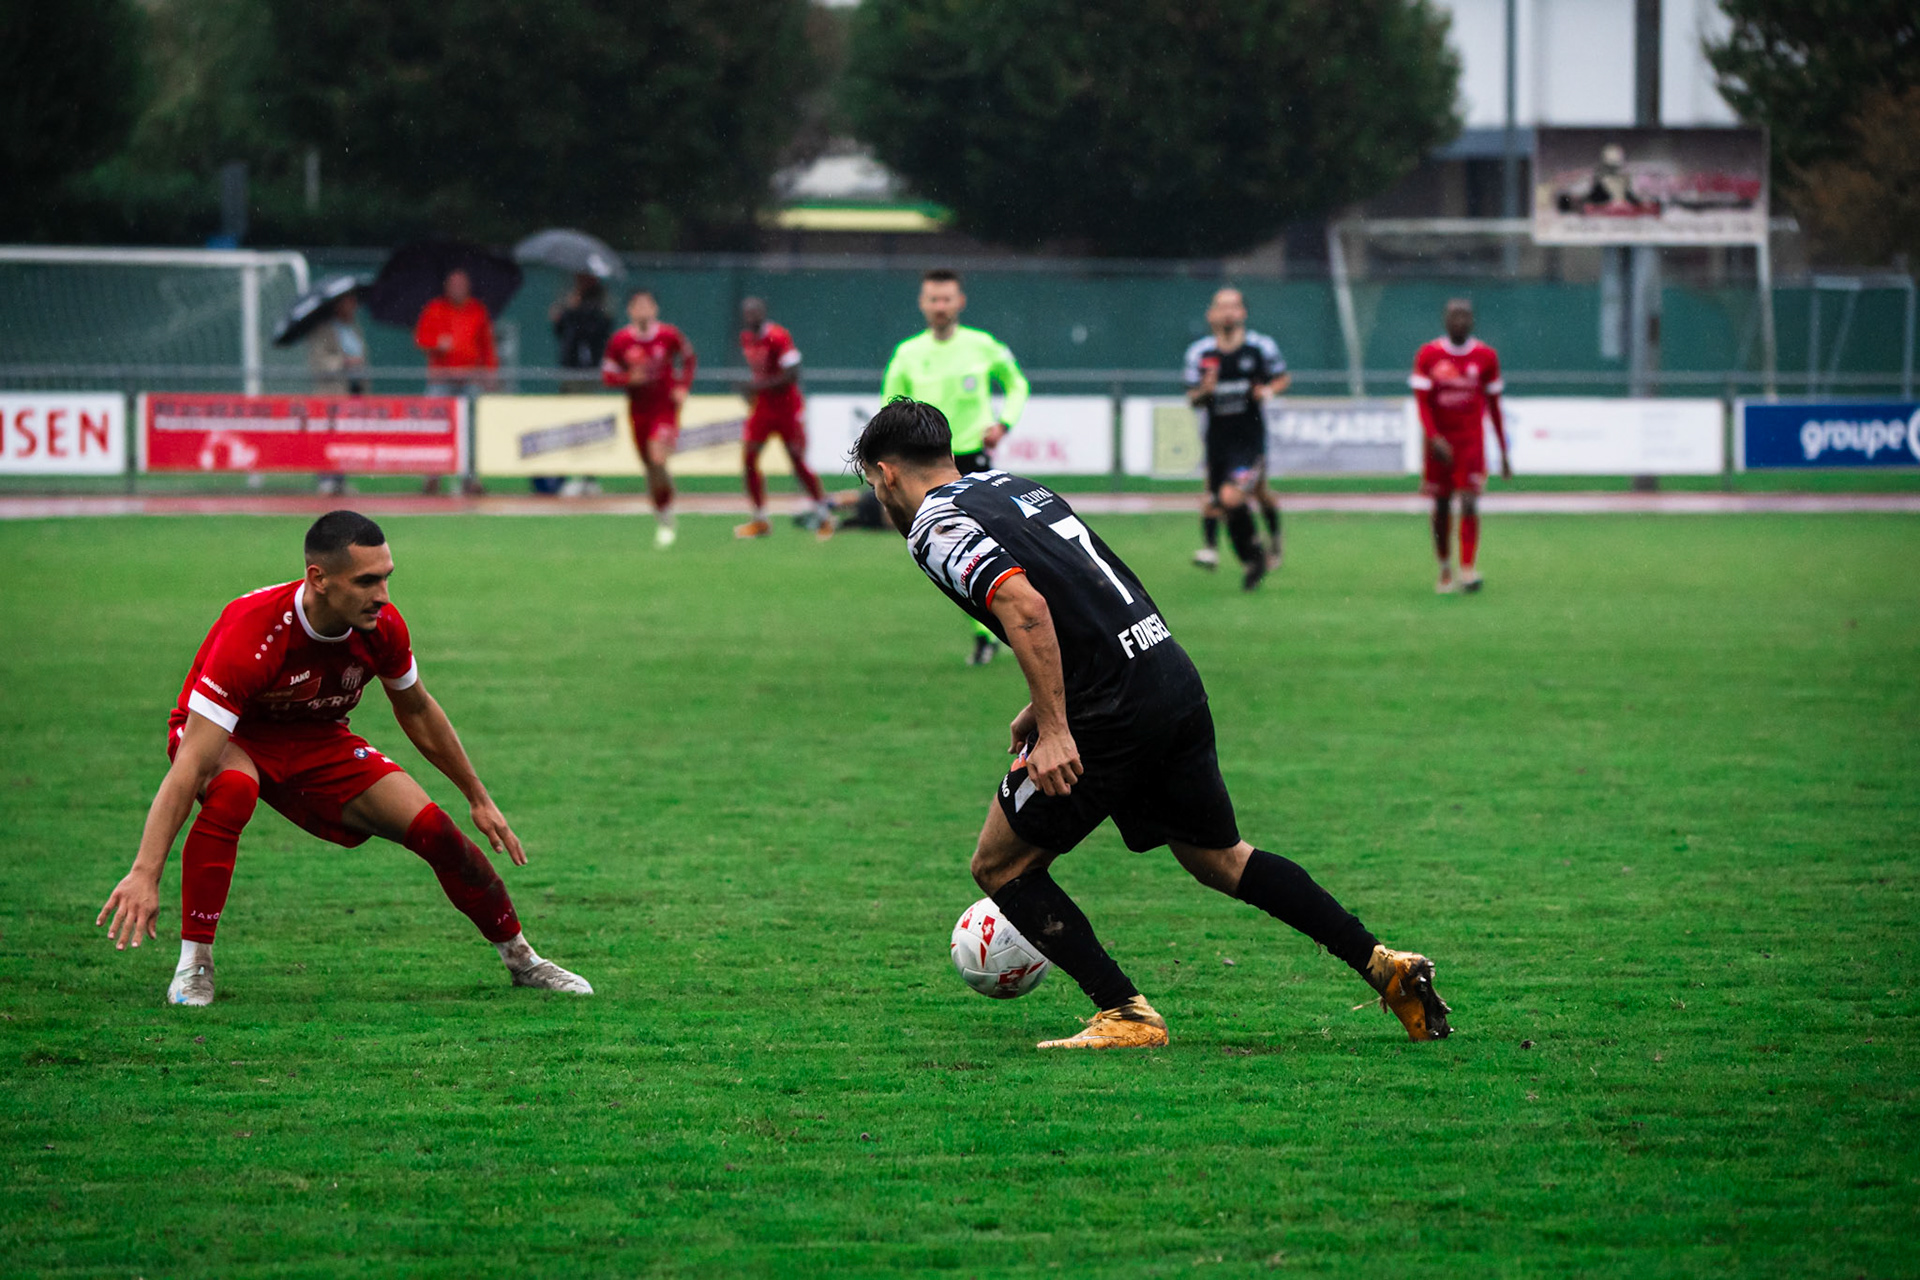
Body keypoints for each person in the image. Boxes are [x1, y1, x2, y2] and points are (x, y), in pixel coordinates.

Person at [852, 399, 1451, 1050]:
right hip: (1162, 665)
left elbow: (1021, 604)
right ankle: (1382, 966)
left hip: (1111, 704)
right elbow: (1089, 584)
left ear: (886, 475)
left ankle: (1125, 1012)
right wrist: (1049, 697)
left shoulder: (933, 525)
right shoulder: (1012, 486)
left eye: (870, 484)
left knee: (1000, 866)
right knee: (1219, 859)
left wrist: (1056, 725)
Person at [95, 510, 592, 1004]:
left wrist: (477, 797)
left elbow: (417, 710)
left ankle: (522, 960)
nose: (383, 595)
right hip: (227, 736)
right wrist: (145, 872)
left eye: (387, 578)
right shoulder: (254, 633)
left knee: (436, 831)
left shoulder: (382, 627)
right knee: (233, 790)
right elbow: (192, 767)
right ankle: (194, 965)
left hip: (315, 737)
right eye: (367, 581)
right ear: (319, 578)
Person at [880, 268, 1031, 664]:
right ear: (922, 303)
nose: (940, 306)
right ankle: (987, 627)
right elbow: (889, 406)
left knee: (986, 543)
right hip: (923, 467)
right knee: (942, 550)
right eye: (933, 299)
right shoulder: (908, 353)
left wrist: (1004, 422)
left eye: (947, 298)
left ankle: (990, 631)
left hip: (971, 458)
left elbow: (1016, 383)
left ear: (960, 301)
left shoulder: (983, 346)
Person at [1182, 288, 1288, 590]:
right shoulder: (1199, 354)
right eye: (1222, 307)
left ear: (1243, 312)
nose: (1228, 312)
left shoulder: (1260, 348)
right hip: (1217, 441)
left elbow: (1281, 377)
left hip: (1250, 441)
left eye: (1234, 306)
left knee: (1234, 497)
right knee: (1218, 503)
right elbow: (1193, 399)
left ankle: (1261, 548)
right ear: (1211, 314)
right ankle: (1252, 558)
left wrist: (1267, 391)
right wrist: (1205, 390)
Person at [1411, 300, 1511, 594]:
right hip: (1439, 444)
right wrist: (1433, 437)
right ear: (1445, 320)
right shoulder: (1429, 355)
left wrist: (1504, 452)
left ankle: (1467, 570)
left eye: (1466, 315)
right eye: (1455, 315)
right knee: (1441, 506)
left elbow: (1494, 407)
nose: (1460, 320)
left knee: (1469, 501)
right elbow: (1423, 404)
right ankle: (1444, 568)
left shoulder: (1485, 356)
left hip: (1470, 444)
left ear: (1473, 321)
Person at [601, 288, 696, 548]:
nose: (643, 310)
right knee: (651, 466)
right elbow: (607, 375)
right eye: (638, 306)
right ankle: (664, 511)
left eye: (648, 306)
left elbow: (689, 359)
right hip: (638, 410)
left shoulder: (668, 335)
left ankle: (666, 510)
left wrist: (683, 386)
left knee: (657, 456)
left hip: (664, 407)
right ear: (630, 311)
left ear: (655, 310)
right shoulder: (620, 341)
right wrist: (627, 379)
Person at [734, 297, 833, 540]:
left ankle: (824, 514)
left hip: (787, 408)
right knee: (749, 460)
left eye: (756, 312)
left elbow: (792, 374)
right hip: (763, 409)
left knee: (797, 461)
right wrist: (754, 392)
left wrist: (756, 386)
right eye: (748, 313)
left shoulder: (778, 336)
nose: (752, 316)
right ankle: (760, 519)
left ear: (764, 313)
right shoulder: (746, 339)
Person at [413, 269, 497, 496]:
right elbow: (420, 338)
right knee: (434, 426)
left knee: (470, 429)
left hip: (469, 378)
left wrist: (490, 373)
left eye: (461, 284)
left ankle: (470, 478)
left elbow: (486, 345)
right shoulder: (435, 308)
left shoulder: (477, 310)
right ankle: (432, 475)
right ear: (447, 287)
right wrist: (436, 344)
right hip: (441, 378)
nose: (457, 289)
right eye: (454, 284)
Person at [547, 273, 615, 497]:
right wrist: (560, 317)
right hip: (570, 370)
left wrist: (572, 311)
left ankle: (587, 476)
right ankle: (567, 475)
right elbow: (564, 334)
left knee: (588, 425)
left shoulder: (599, 303)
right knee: (568, 424)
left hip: (587, 373)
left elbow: (595, 331)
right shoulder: (572, 300)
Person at [307, 289, 367, 497]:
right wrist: (343, 362)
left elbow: (362, 358)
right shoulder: (324, 330)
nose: (352, 306)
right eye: (348, 302)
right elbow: (320, 361)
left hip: (352, 391)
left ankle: (340, 481)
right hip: (330, 391)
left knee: (345, 437)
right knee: (327, 436)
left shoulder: (355, 329)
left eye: (354, 302)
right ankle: (326, 480)